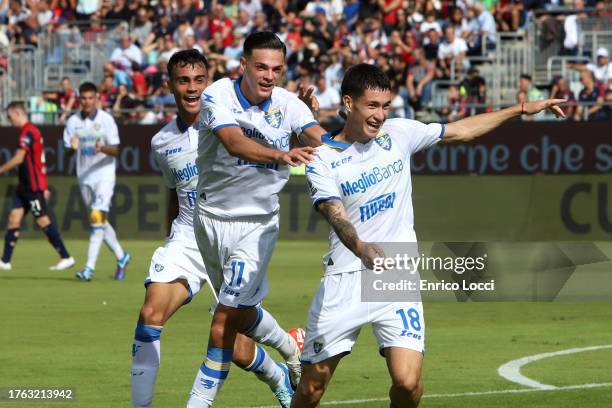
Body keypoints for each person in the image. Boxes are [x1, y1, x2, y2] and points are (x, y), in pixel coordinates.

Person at [293, 63, 565, 408]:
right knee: (311, 390)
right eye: (372, 106)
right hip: (345, 276)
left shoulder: (400, 133)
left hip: (395, 273)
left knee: (407, 383)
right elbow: (334, 212)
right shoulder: (323, 160)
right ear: (348, 103)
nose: (380, 115)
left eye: (385, 106)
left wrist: (521, 109)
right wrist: (360, 246)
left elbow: (462, 131)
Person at [131, 49, 300, 408]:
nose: (192, 88)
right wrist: (171, 238)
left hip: (231, 230)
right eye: (183, 80)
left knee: (234, 343)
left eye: (199, 80)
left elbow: (279, 143)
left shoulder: (234, 121)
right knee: (150, 315)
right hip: (188, 236)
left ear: (208, 82)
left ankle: (281, 366)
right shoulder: (161, 142)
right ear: (170, 85)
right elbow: (173, 195)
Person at [186, 31, 327, 407]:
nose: (269, 76)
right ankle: (289, 348)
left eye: (276, 69)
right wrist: (281, 155)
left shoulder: (289, 104)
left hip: (257, 226)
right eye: (261, 67)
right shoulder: (216, 95)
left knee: (221, 325)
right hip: (210, 220)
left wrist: (335, 137)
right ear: (243, 65)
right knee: (237, 331)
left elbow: (320, 139)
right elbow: (233, 141)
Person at [63, 82, 131, 281]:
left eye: (90, 98)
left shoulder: (106, 120)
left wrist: (102, 149)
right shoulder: (73, 122)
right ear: (79, 99)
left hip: (104, 175)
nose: (87, 102)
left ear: (96, 99)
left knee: (96, 219)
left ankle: (89, 268)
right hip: (84, 176)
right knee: (99, 222)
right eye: (83, 98)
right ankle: (122, 256)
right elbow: (67, 152)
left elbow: (117, 150)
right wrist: (72, 148)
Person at [0, 102, 74, 271]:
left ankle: (66, 256)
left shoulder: (28, 131)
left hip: (33, 187)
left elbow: (19, 159)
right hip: (24, 187)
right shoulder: (30, 131)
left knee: (42, 220)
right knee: (14, 218)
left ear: (17, 113)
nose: (9, 121)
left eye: (10, 117)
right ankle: (5, 260)